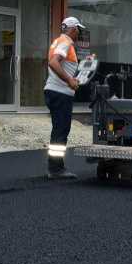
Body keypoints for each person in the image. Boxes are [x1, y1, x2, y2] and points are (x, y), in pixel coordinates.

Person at [43, 16, 86, 179]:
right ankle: (55, 169)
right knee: (61, 131)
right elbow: (54, 63)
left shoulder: (58, 41)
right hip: (60, 93)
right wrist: (69, 80)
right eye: (79, 30)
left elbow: (60, 64)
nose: (79, 34)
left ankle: (55, 166)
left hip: (53, 91)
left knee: (58, 130)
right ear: (73, 29)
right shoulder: (66, 43)